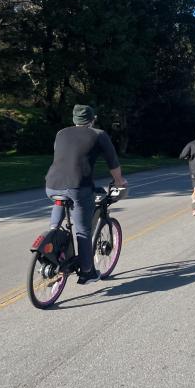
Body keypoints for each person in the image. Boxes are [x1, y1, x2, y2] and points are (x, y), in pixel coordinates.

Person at [45, 105, 127, 285]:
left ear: (74, 120)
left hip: (52, 185)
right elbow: (113, 162)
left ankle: (51, 235)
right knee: (83, 230)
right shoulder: (99, 135)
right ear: (92, 120)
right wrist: (120, 181)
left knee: (59, 202)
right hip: (77, 187)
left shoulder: (60, 133)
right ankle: (87, 272)